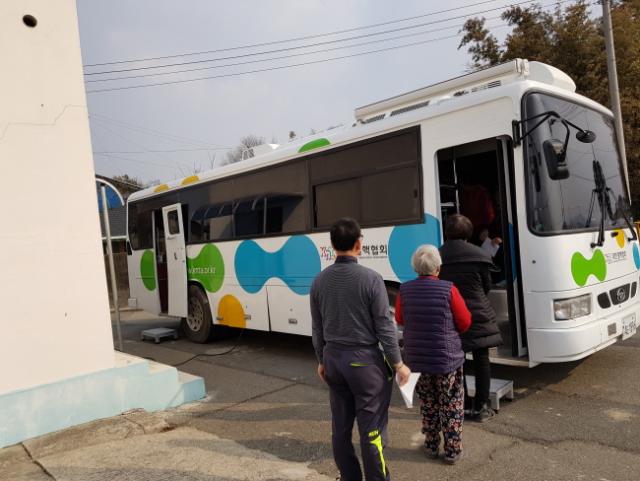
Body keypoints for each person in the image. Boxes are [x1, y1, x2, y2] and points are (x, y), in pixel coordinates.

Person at [311, 217, 410, 481]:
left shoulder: (319, 281)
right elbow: (384, 327)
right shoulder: (371, 279)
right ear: (359, 244)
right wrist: (398, 364)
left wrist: (321, 360)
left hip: (333, 360)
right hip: (364, 363)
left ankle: (349, 476)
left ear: (332, 245)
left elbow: (317, 328)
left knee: (340, 429)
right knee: (371, 430)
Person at [394, 245, 471, 464]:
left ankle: (430, 445)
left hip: (417, 360)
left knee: (428, 403)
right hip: (447, 361)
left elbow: (399, 319)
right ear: (438, 267)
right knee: (451, 404)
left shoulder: (404, 291)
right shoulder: (449, 290)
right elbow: (465, 322)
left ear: (415, 268)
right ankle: (452, 450)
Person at [439, 214, 503, 422]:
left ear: (447, 232)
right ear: (469, 233)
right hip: (478, 314)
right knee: (482, 359)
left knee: (459, 361)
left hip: (450, 314)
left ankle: (464, 406)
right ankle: (481, 408)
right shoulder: (480, 254)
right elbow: (486, 286)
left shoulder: (437, 256)